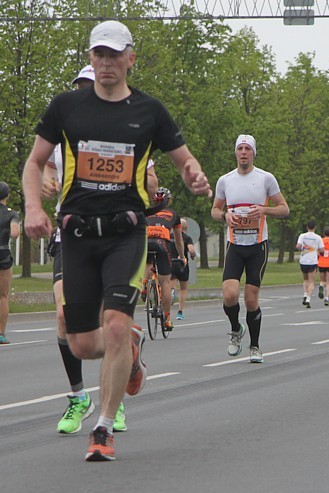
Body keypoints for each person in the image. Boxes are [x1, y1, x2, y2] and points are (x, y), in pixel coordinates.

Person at [22, 20, 211, 461]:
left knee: (115, 323)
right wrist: (33, 207)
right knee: (82, 343)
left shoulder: (150, 111)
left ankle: (104, 428)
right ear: (91, 58)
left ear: (130, 58)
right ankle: (129, 347)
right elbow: (35, 163)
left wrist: (193, 174)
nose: (106, 63)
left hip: (127, 233)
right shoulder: (66, 107)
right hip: (77, 236)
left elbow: (183, 159)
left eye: (114, 55)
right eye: (98, 55)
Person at [41, 66, 136, 434]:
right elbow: (44, 168)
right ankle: (79, 397)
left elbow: (151, 176)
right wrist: (47, 184)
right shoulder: (62, 137)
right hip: (70, 236)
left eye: (90, 87)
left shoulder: (123, 132)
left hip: (113, 238)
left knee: (107, 324)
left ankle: (114, 401)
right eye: (80, 88)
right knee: (66, 320)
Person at [211, 134, 289, 362]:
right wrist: (224, 215)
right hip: (234, 246)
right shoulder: (225, 180)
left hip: (257, 247)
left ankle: (255, 346)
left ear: (253, 153)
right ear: (235, 152)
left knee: (251, 299)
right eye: (240, 148)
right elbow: (214, 210)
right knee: (229, 295)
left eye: (247, 148)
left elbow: (284, 209)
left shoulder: (266, 179)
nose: (243, 152)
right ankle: (236, 330)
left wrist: (264, 211)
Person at [143, 187, 185, 331]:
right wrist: (182, 256)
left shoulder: (146, 211)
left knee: (147, 261)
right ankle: (167, 319)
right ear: (169, 200)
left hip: (146, 241)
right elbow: (179, 240)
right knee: (165, 282)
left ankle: (144, 285)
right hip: (162, 243)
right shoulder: (173, 214)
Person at [0, 182, 20, 345]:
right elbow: (15, 233)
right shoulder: (11, 214)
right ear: (7, 196)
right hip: (3, 254)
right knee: (3, 296)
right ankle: (0, 333)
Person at [171, 218, 197, 320]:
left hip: (171, 263)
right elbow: (191, 250)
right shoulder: (187, 238)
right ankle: (180, 312)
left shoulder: (169, 236)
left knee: (170, 285)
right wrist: (192, 256)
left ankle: (171, 292)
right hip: (182, 264)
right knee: (183, 289)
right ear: (186, 228)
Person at [296, 220, 323, 309]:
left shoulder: (302, 236)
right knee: (312, 281)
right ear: (315, 227)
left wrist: (304, 247)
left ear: (307, 227)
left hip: (303, 260)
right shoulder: (318, 237)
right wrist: (315, 249)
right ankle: (308, 299)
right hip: (312, 261)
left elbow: (298, 246)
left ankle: (305, 293)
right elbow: (322, 249)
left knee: (305, 279)